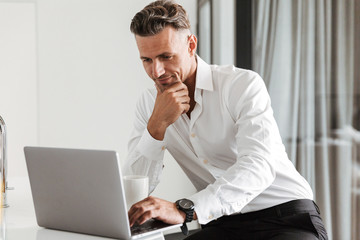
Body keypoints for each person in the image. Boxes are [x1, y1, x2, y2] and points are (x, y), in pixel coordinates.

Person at [124, 0, 328, 239]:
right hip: (221, 224)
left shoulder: (242, 85)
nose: (156, 72)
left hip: (284, 217)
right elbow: (135, 191)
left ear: (191, 45)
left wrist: (185, 209)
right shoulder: (149, 105)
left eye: (166, 56)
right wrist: (156, 126)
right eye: (146, 60)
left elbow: (258, 166)